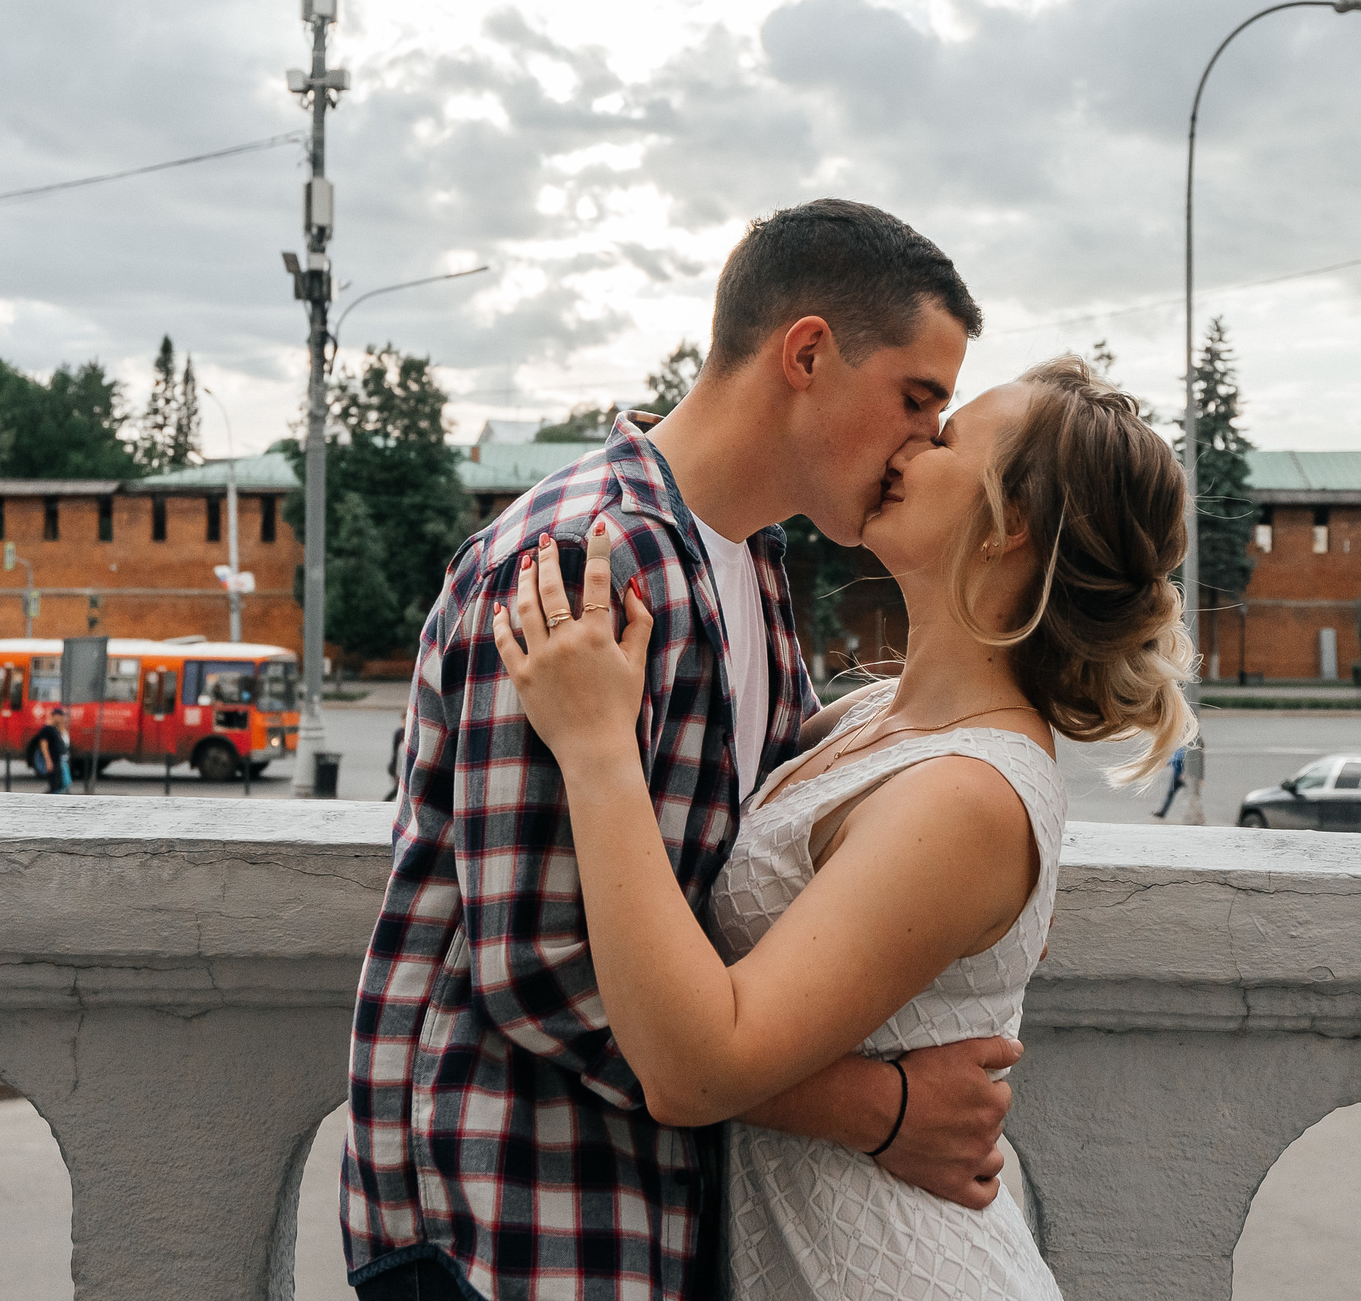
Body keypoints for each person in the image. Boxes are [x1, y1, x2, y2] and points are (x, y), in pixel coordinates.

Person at [343, 200, 1020, 1301]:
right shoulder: (583, 560)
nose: (922, 446)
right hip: (513, 1226)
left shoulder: (747, 564)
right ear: (807, 352)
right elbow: (545, 966)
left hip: (643, 1215)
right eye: (915, 398)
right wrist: (876, 1107)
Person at [497, 355, 1191, 1299]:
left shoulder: (969, 796)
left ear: (1011, 524)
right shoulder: (875, 721)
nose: (909, 443)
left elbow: (698, 1072)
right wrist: (882, 1107)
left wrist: (596, 749)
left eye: (944, 438)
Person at [31, 709, 71, 795]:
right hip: (52, 760)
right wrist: (48, 761)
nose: (62, 719)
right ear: (55, 716)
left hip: (56, 760)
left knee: (59, 783)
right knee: (55, 784)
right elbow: (44, 746)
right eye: (60, 716)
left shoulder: (54, 729)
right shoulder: (47, 730)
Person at [1152, 742, 1188, 818]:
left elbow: (1178, 760)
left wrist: (1167, 763)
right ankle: (1162, 813)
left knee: (1189, 795)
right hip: (1177, 775)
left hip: (1182, 776)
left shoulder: (1183, 748)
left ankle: (1192, 814)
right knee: (1171, 795)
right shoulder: (1180, 748)